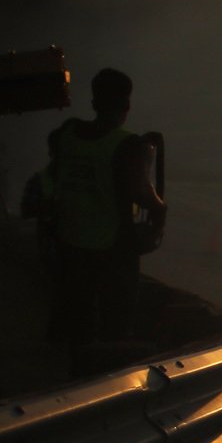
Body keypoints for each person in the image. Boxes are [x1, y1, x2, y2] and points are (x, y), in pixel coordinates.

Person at [47, 68, 165, 366]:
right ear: (126, 106)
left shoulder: (67, 135)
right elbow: (142, 194)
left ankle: (76, 370)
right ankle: (107, 379)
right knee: (116, 319)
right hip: (112, 245)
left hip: (71, 240)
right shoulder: (127, 144)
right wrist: (160, 207)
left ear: (94, 101)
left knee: (79, 313)